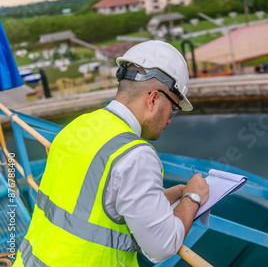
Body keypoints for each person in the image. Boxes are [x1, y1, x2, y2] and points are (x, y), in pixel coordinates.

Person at [13, 40, 209, 267]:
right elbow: (161, 247)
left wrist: (165, 197)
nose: (169, 120)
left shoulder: (78, 126)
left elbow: (90, 202)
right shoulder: (136, 155)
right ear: (153, 98)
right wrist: (193, 197)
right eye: (173, 109)